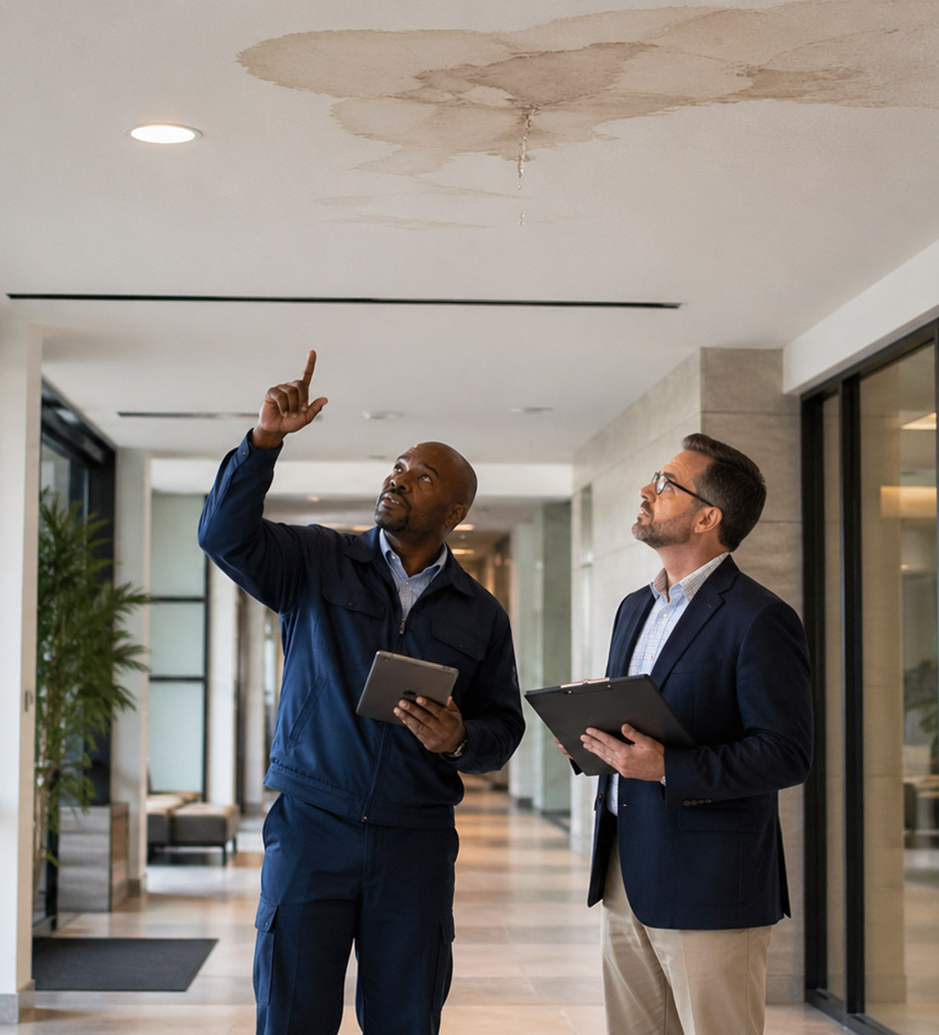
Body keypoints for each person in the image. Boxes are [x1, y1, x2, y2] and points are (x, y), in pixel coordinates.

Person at [198, 350, 524, 1035]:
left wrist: (460, 737)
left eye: (421, 474)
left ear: (455, 510)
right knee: (291, 1015)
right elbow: (222, 535)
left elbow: (504, 726)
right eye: (399, 464)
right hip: (313, 828)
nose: (398, 477)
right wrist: (263, 444)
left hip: (416, 841)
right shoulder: (316, 560)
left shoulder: (480, 613)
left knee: (406, 1018)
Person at [574, 433, 813, 1035]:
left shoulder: (760, 618)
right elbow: (640, 728)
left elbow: (787, 754)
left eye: (664, 484)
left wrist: (667, 768)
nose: (646, 491)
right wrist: (591, 741)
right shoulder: (636, 607)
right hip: (625, 870)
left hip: (711, 883)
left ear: (708, 516)